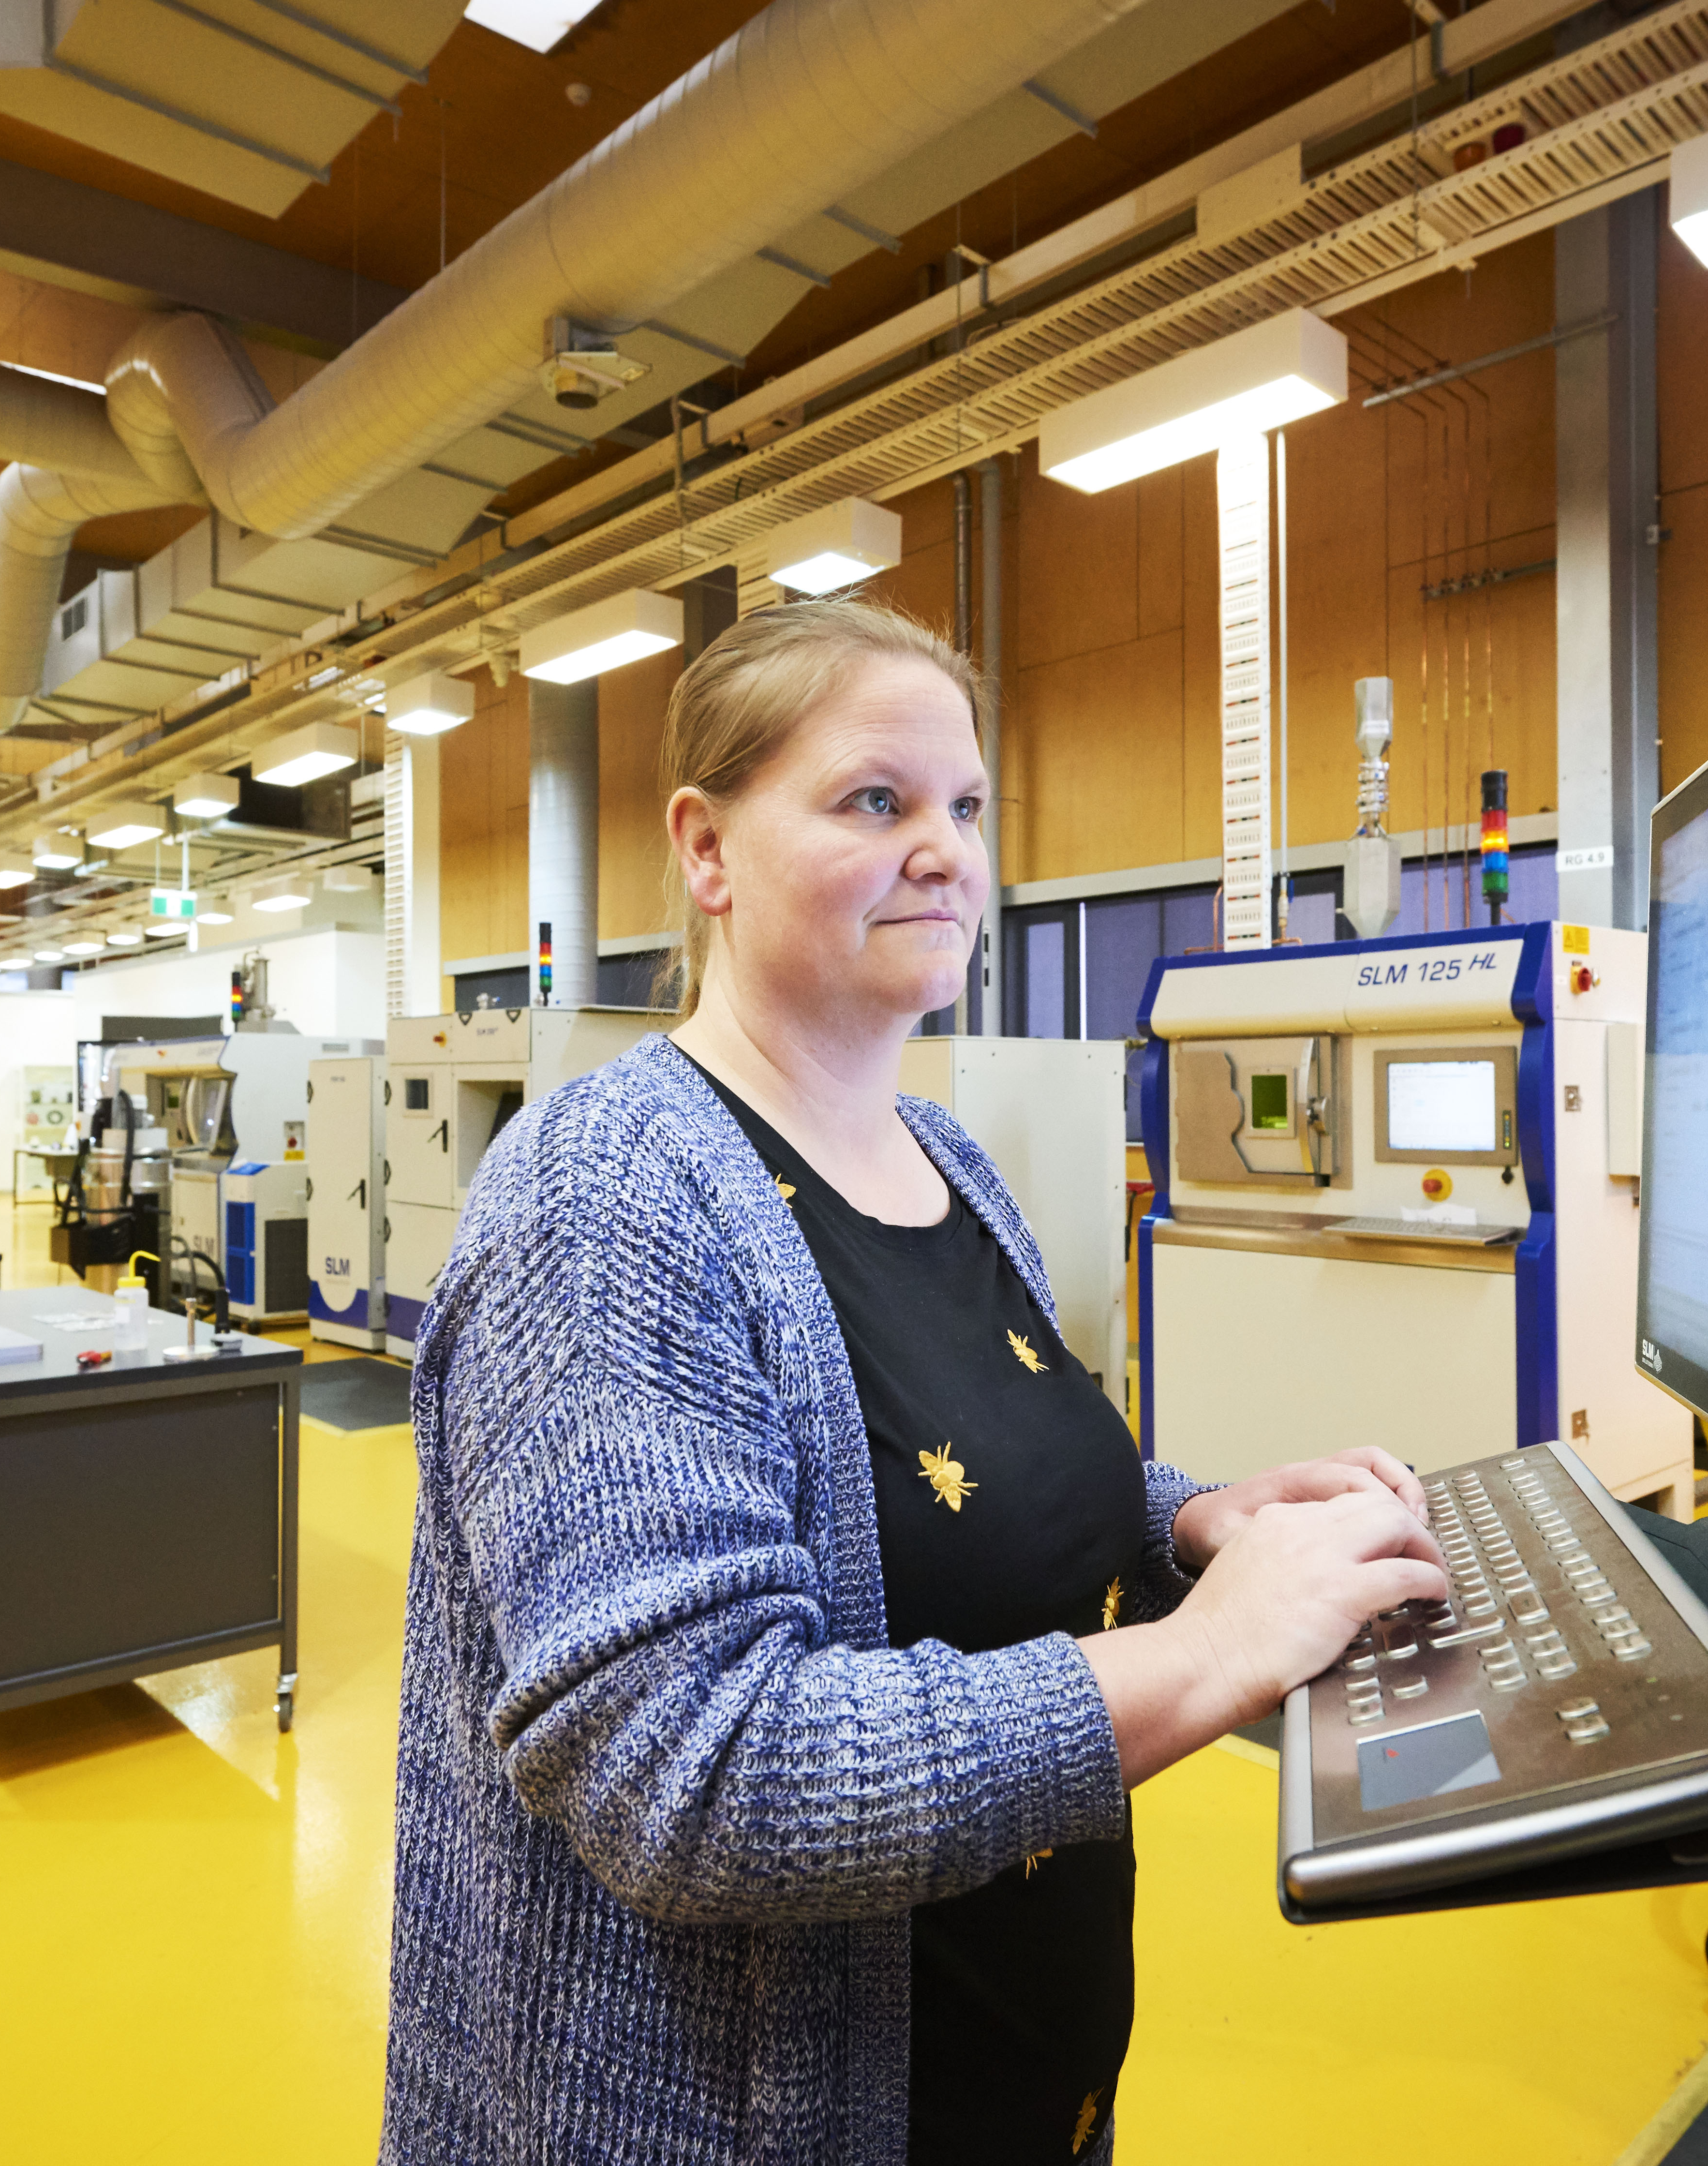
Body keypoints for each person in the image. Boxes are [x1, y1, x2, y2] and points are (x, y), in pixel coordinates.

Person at [383, 596, 1447, 2164]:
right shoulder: (608, 1194)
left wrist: (1189, 1524)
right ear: (705, 850)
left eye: (963, 806)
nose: (944, 848)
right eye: (873, 801)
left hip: (1017, 2090)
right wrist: (1205, 1657)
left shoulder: (942, 1155)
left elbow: (961, 1482)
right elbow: (692, 1770)